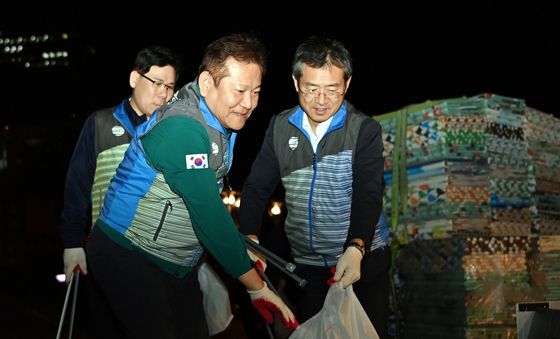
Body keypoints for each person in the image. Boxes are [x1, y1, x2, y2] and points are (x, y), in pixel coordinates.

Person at [86, 33, 298, 339]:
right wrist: (257, 288)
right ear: (207, 82)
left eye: (256, 91)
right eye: (239, 90)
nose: (249, 103)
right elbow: (208, 213)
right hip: (128, 253)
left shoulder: (217, 122)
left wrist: (241, 250)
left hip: (177, 265)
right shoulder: (183, 127)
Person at [238, 36, 391, 338]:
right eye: (311, 88)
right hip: (307, 266)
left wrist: (356, 247)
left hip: (361, 260)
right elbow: (256, 187)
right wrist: (250, 237)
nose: (321, 100)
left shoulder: (364, 129)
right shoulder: (280, 128)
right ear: (296, 83)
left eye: (332, 89)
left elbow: (368, 193)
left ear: (346, 85)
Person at [58, 45, 180, 336]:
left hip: (157, 258)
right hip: (107, 255)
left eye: (170, 87)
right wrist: (72, 242)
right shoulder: (99, 124)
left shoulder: (174, 131)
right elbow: (76, 186)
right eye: (157, 84)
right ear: (134, 79)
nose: (163, 94)